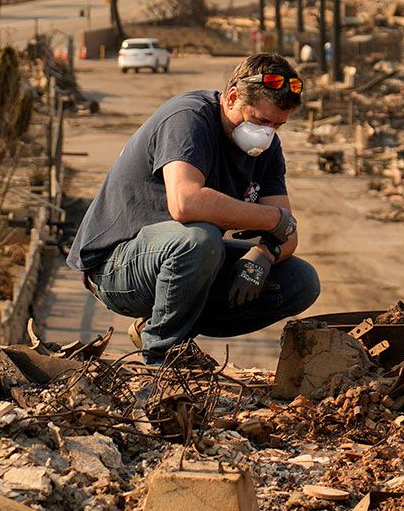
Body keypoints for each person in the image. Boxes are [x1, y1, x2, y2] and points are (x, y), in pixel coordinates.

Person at [71, 52, 321, 365]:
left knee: (301, 281)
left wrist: (264, 256)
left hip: (184, 261)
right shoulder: (189, 117)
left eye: (277, 125)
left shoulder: (267, 150)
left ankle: (161, 326)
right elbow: (185, 203)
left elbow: (287, 231)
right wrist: (271, 219)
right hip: (117, 266)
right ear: (231, 98)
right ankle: (162, 355)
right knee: (201, 240)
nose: (266, 132)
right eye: (259, 120)